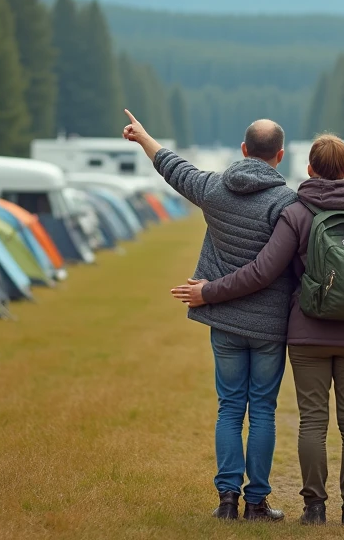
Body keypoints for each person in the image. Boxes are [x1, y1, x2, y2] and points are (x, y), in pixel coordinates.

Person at [172, 134, 344, 527]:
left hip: (308, 332)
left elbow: (264, 270)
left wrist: (209, 291)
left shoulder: (297, 213)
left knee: (312, 420)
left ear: (309, 168)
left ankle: (314, 509)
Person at [122, 109, 295, 522]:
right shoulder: (288, 202)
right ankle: (257, 502)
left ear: (242, 149)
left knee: (230, 408)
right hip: (270, 326)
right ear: (280, 156)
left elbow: (173, 168)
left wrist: (145, 137)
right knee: (264, 410)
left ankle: (226, 502)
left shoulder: (214, 189)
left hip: (222, 319)